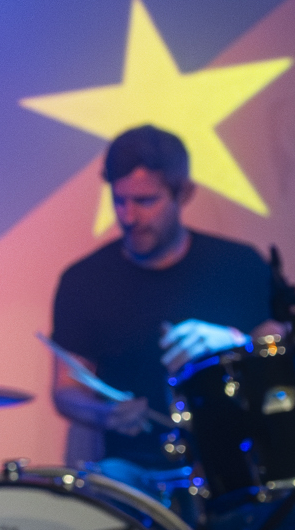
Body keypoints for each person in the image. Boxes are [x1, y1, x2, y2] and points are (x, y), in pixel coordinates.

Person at [50, 124, 282, 488]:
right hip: (134, 473)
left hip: (236, 467)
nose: (129, 217)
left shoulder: (240, 265)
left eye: (145, 201)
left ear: (184, 193)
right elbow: (66, 389)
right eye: (119, 200)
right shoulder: (84, 280)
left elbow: (281, 362)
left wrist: (235, 343)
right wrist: (106, 413)